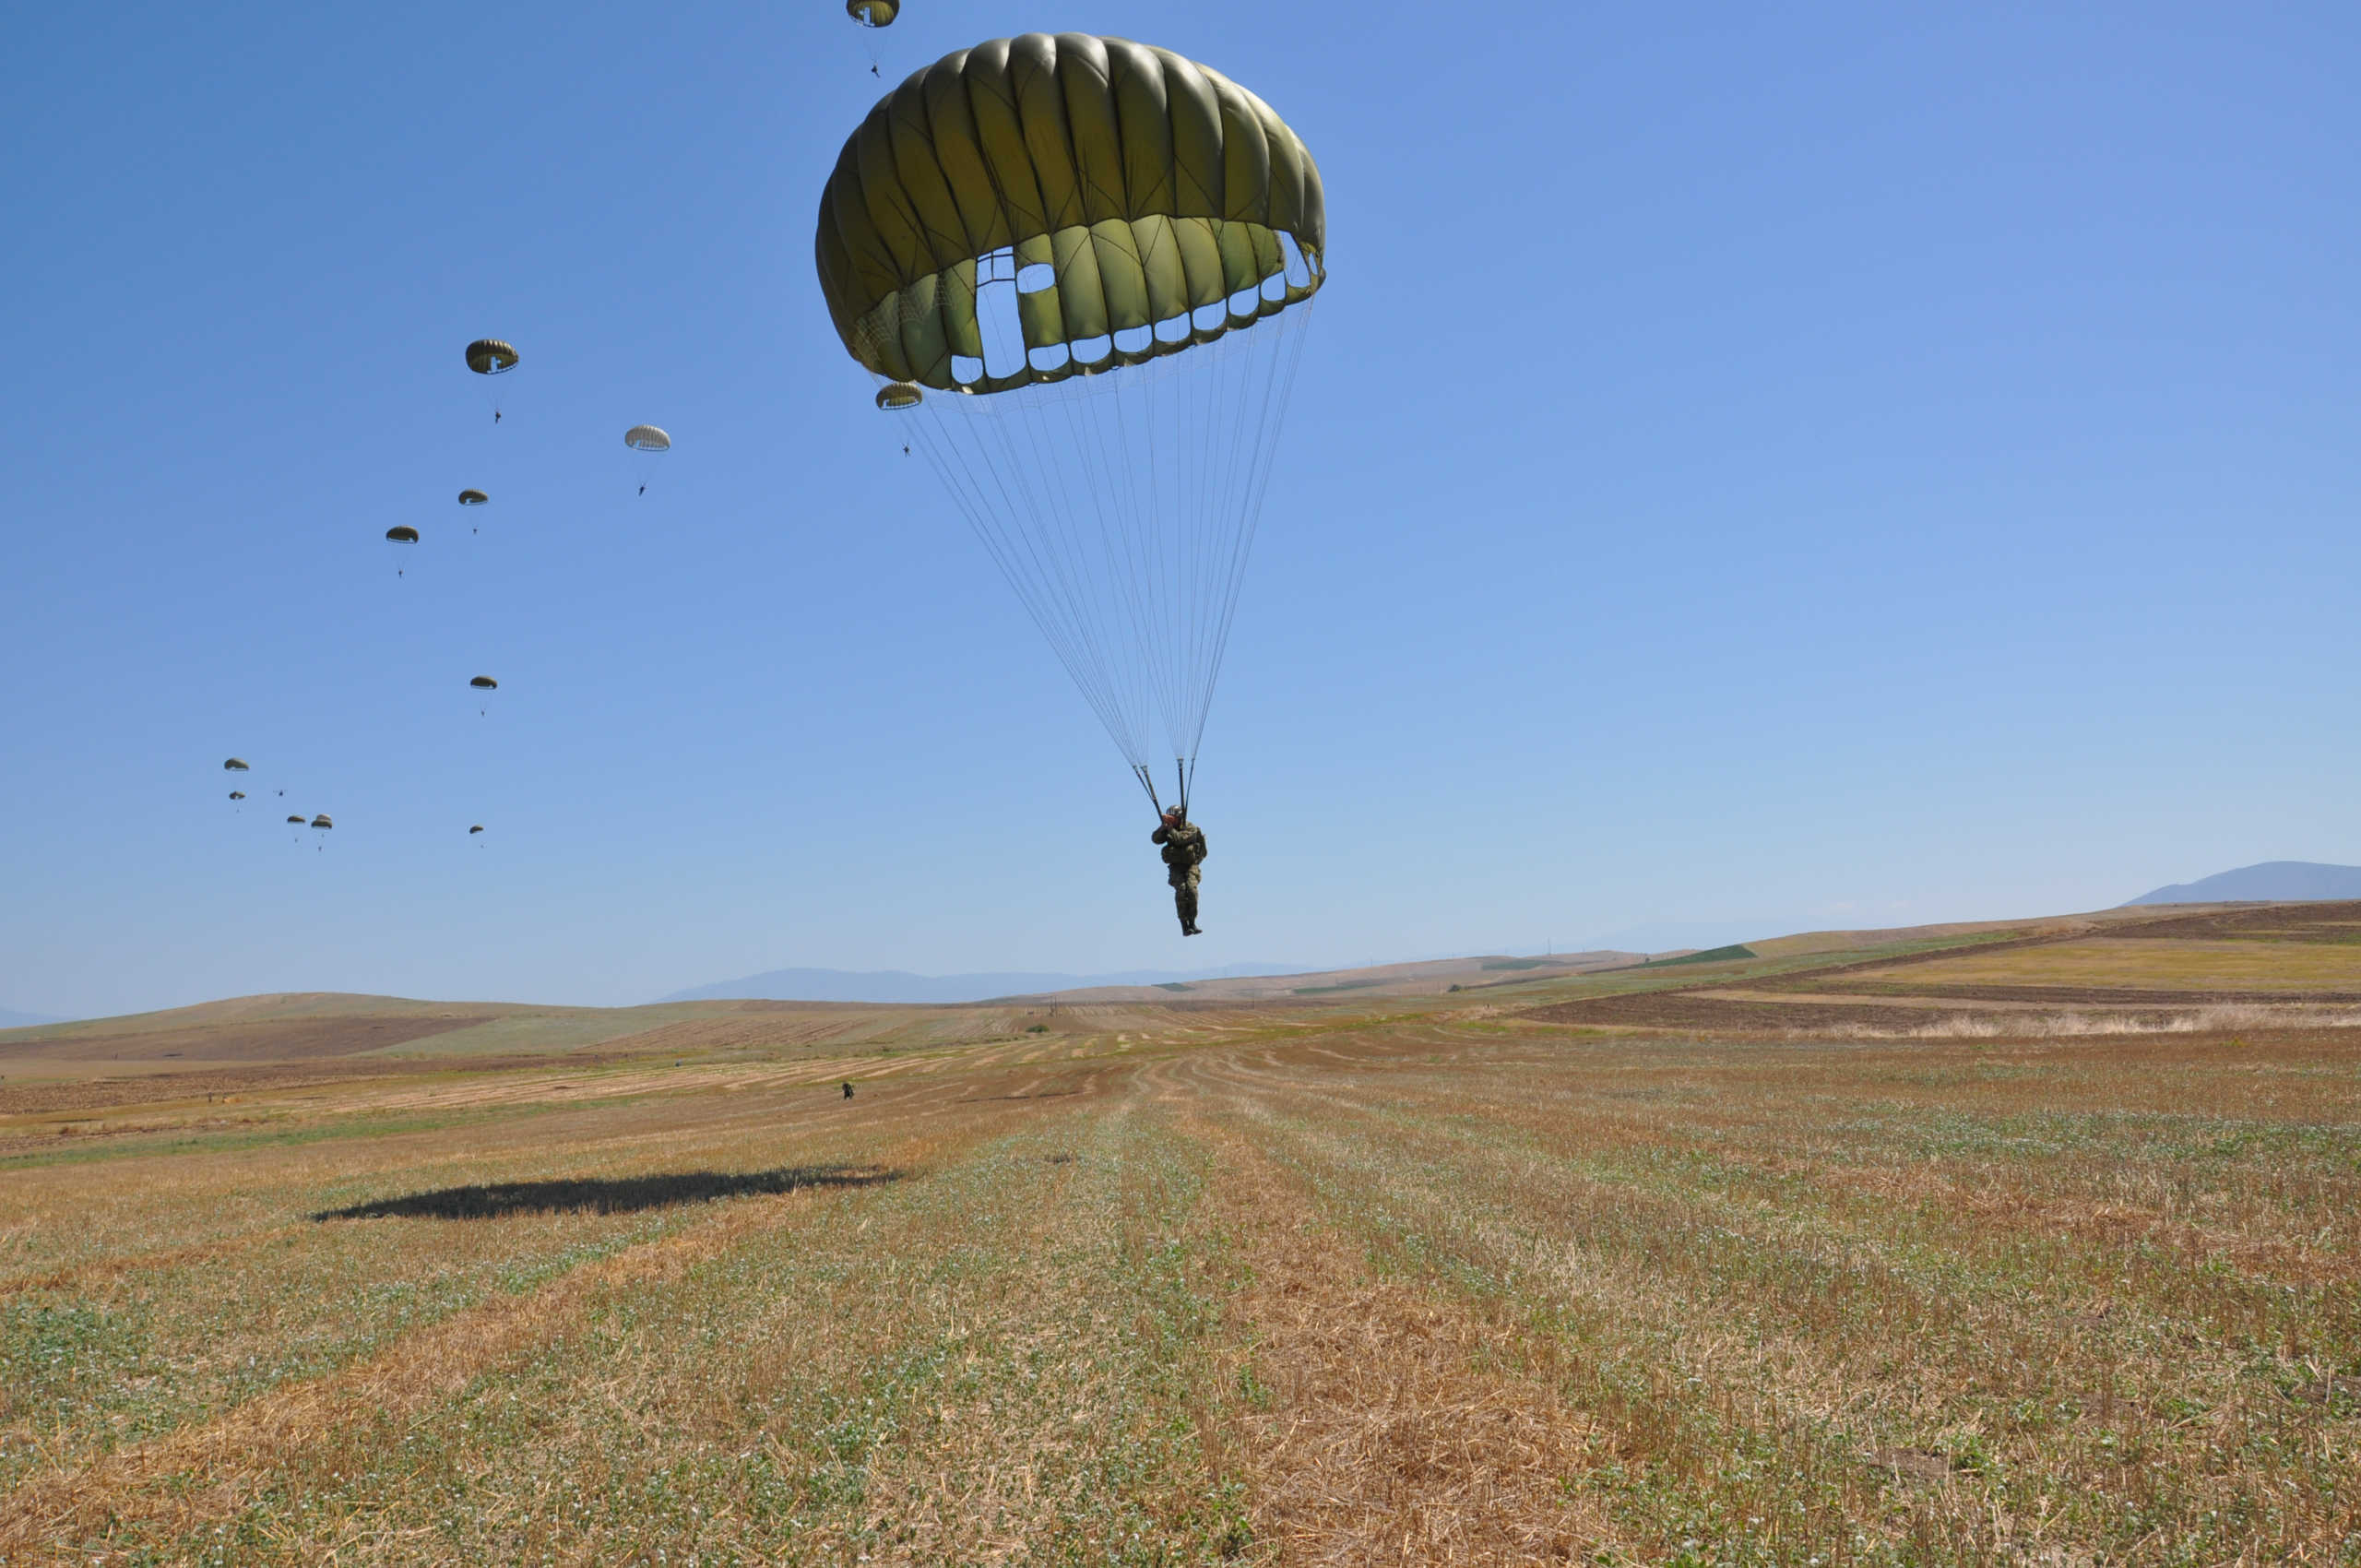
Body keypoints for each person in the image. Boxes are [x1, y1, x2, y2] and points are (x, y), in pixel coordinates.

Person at [1151, 805, 1207, 935]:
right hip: (1176, 867)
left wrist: (1170, 828)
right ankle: (1184, 925)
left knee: (1191, 890)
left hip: (1190, 866)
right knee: (1181, 890)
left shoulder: (1190, 828)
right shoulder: (1168, 829)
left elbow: (1180, 839)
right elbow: (1155, 839)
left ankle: (1192, 922)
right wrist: (1163, 828)